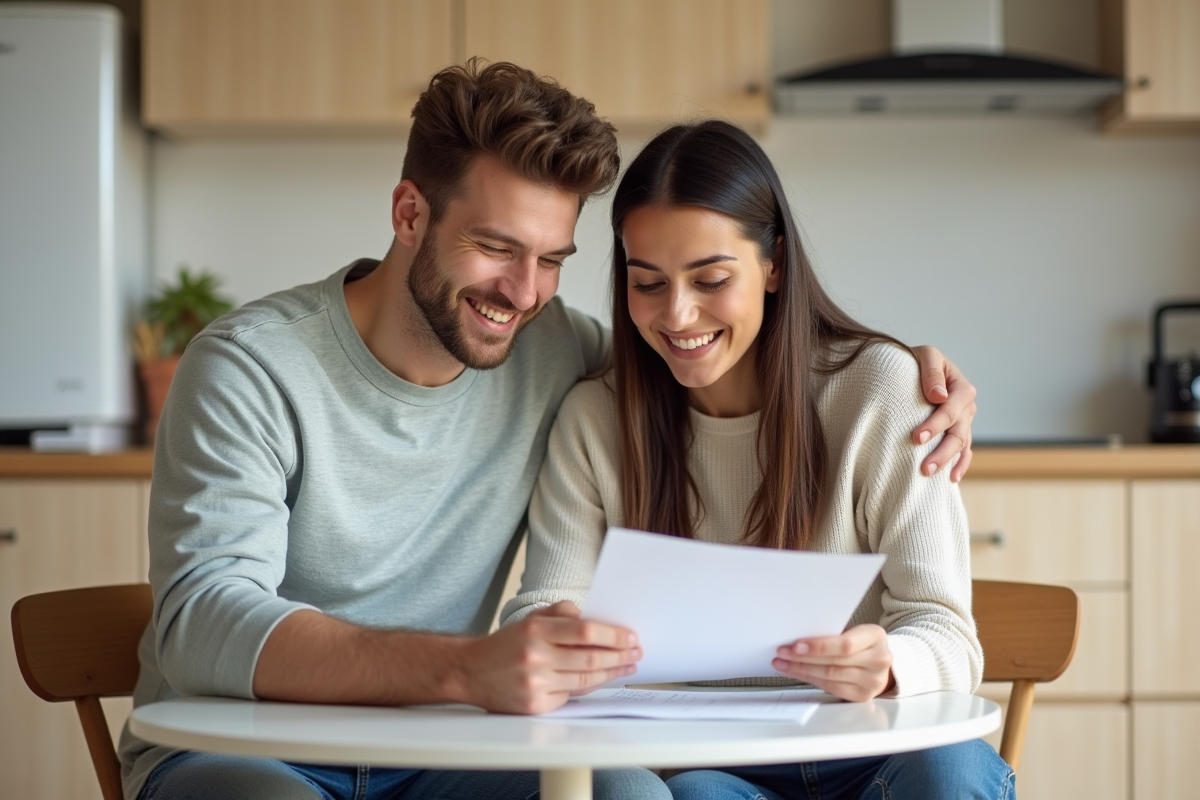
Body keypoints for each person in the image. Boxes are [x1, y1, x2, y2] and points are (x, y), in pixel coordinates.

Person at [119, 61, 979, 800]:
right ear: (410, 213)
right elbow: (201, 621)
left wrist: (901, 374)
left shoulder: (552, 351)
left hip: (440, 750)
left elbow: (694, 359)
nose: (524, 293)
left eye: (553, 261)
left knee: (625, 791)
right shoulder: (250, 367)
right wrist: (466, 668)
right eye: (497, 247)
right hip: (249, 748)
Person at [501, 119, 1012, 800]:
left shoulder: (879, 393)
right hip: (713, 769)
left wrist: (890, 662)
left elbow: (948, 633)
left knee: (954, 771)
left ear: (774, 265)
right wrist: (558, 640)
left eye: (711, 279)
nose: (678, 315)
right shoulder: (595, 421)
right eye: (647, 283)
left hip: (872, 753)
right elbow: (540, 611)